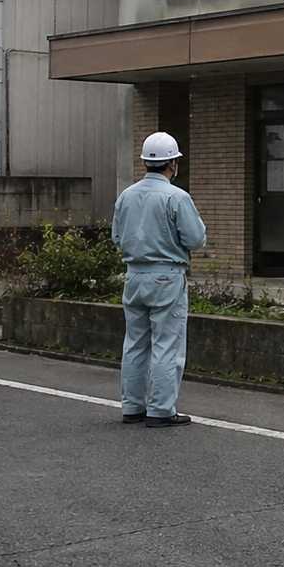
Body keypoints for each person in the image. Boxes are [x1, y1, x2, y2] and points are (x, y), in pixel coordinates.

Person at [112, 131, 206, 428]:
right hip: (167, 275)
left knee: (135, 343)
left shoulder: (126, 195)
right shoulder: (177, 197)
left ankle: (132, 407)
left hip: (134, 275)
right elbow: (195, 238)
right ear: (173, 164)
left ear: (145, 162)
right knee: (167, 345)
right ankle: (161, 410)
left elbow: (117, 237)